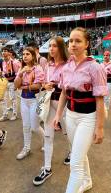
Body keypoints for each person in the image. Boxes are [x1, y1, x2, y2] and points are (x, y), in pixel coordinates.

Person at [52, 27, 107, 193]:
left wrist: (100, 127)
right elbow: (64, 92)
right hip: (70, 116)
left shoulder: (94, 67)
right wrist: (58, 115)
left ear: (87, 44)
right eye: (71, 41)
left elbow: (99, 99)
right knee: (78, 153)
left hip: (88, 118)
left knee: (75, 163)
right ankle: (87, 181)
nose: (73, 44)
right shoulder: (66, 66)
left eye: (78, 41)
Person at [33, 37, 70, 186]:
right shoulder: (48, 65)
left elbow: (69, 86)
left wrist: (56, 85)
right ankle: (47, 168)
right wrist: (45, 85)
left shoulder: (68, 65)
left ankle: (72, 152)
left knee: (68, 133)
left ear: (61, 47)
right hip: (49, 102)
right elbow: (44, 83)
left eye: (55, 46)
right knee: (48, 136)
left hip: (65, 104)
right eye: (50, 46)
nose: (51, 49)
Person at [14, 47, 45, 160]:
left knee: (35, 127)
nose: (25, 56)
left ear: (33, 56)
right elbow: (16, 85)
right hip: (24, 100)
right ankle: (26, 148)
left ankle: (45, 140)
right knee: (25, 126)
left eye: (28, 54)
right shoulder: (21, 69)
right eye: (23, 54)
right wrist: (21, 73)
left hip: (34, 100)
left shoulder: (38, 68)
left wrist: (24, 86)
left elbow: (38, 85)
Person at [0, 47, 21, 121]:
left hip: (12, 82)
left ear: (9, 53)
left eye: (5, 51)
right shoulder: (3, 62)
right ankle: (5, 114)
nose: (4, 52)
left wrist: (16, 83)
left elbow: (18, 73)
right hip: (5, 82)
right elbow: (4, 72)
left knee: (13, 99)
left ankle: (15, 114)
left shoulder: (15, 62)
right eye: (3, 51)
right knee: (2, 99)